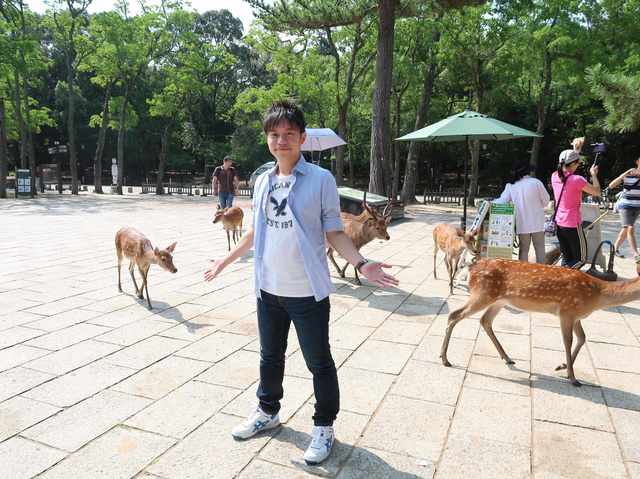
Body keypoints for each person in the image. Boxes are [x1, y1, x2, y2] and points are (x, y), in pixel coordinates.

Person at [203, 100, 398, 465]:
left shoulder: (322, 180)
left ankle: (324, 427)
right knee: (269, 357)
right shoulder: (262, 181)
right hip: (267, 288)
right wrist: (226, 260)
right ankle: (267, 411)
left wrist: (362, 262)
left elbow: (334, 232)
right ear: (267, 139)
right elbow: (255, 230)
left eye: (289, 134)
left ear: (302, 138)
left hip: (306, 291)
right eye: (274, 135)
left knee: (318, 361)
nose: (281, 141)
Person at [551, 149, 600, 269]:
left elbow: (567, 165)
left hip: (558, 223)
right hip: (572, 224)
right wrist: (593, 174)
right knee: (580, 259)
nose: (578, 165)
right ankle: (564, 275)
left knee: (567, 257)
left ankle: (562, 283)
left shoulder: (554, 176)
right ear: (573, 164)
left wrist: (576, 149)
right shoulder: (577, 179)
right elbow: (597, 191)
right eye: (577, 163)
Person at [495, 160, 550, 263]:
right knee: (540, 249)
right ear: (529, 172)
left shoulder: (511, 185)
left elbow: (503, 201)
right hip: (537, 222)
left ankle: (523, 272)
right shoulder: (536, 182)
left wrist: (488, 203)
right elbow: (546, 201)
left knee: (523, 249)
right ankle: (542, 273)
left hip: (522, 223)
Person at [608, 156, 640, 262]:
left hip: (637, 206)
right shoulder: (628, 176)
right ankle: (636, 255)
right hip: (625, 205)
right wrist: (625, 173)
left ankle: (614, 250)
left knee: (626, 229)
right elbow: (611, 185)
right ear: (637, 163)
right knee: (630, 228)